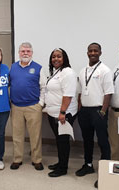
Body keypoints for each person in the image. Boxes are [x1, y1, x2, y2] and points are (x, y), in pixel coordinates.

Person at [76, 43, 113, 189]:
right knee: (87, 140)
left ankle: (105, 171)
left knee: (103, 141)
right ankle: (88, 164)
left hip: (98, 111)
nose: (93, 53)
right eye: (90, 51)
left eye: (95, 51)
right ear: (87, 53)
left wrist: (103, 111)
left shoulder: (105, 70)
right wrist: (79, 109)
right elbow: (80, 92)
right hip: (84, 111)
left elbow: (108, 93)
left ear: (100, 53)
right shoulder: (82, 70)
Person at [9, 42, 46, 171]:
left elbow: (43, 88)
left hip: (33, 107)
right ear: (19, 53)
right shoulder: (12, 67)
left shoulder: (38, 68)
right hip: (16, 107)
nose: (25, 53)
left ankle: (37, 160)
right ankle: (17, 159)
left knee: (35, 135)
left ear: (32, 53)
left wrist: (40, 104)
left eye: (28, 51)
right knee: (17, 135)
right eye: (23, 51)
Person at [45, 48, 78, 177]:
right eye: (53, 57)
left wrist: (62, 113)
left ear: (64, 58)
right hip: (53, 112)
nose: (56, 59)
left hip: (63, 114)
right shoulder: (57, 72)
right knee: (59, 140)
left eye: (59, 56)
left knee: (63, 141)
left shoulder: (68, 72)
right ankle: (60, 162)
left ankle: (63, 168)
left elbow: (68, 95)